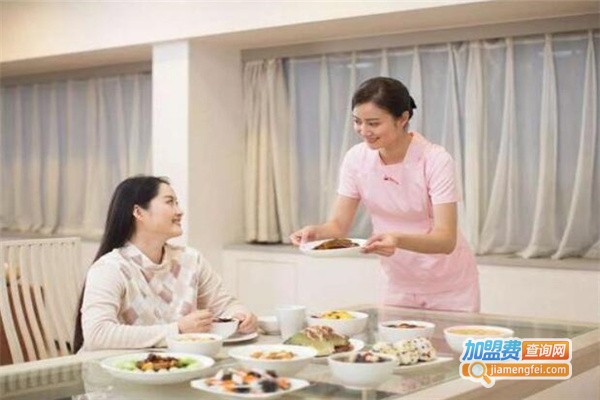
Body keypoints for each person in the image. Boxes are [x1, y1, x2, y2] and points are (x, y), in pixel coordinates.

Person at [290, 77, 479, 313]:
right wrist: (315, 233)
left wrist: (397, 239)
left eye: (373, 123)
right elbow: (338, 226)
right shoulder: (356, 159)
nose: (364, 131)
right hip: (397, 283)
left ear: (403, 119)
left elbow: (446, 240)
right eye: (357, 122)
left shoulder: (435, 160)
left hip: (449, 285)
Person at [73, 176, 257, 352]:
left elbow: (225, 305)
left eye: (177, 203)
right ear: (138, 212)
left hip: (172, 365)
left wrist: (241, 316)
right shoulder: (110, 268)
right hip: (110, 369)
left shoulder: (191, 260)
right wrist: (177, 330)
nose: (180, 211)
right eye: (170, 202)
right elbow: (97, 334)